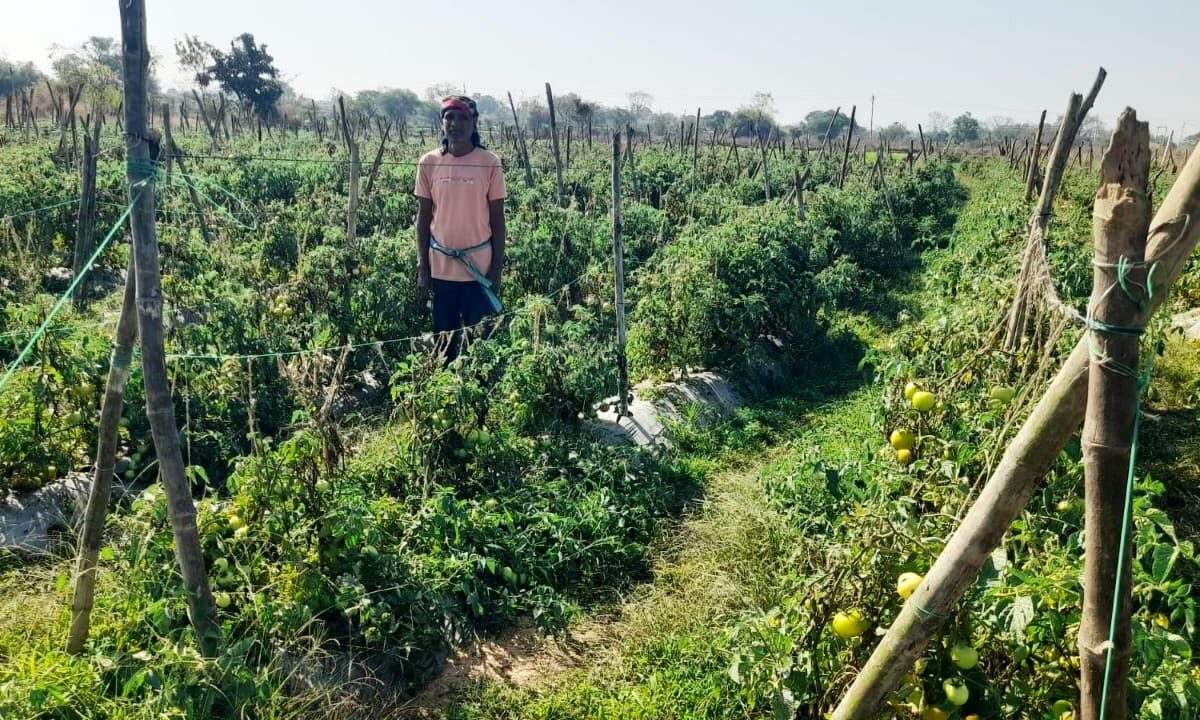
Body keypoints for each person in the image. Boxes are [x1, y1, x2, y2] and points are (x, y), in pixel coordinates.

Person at [414, 96, 507, 358]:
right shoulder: (429, 162)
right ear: (442, 122)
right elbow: (423, 218)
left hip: (478, 271)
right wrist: (424, 267)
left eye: (463, 117)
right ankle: (447, 395)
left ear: (475, 122)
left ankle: (477, 393)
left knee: (478, 345)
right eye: (449, 117)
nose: (455, 123)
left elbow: (498, 221)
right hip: (442, 269)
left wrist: (496, 269)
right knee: (444, 343)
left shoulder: (489, 162)